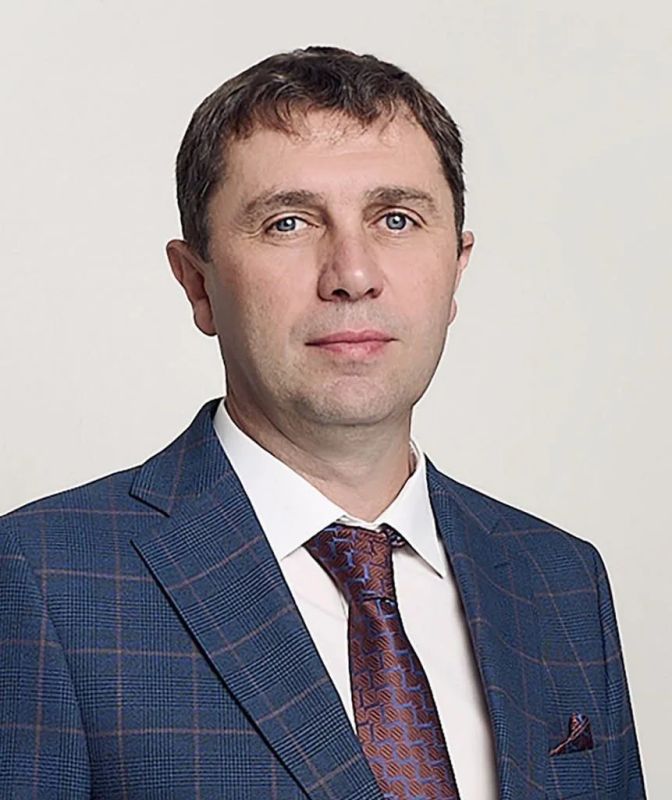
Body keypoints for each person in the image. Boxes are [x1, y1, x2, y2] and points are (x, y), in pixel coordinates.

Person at [0, 46, 645, 800]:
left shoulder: (560, 581)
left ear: (456, 268)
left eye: (397, 219)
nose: (353, 274)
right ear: (198, 284)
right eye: (288, 223)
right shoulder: (45, 581)